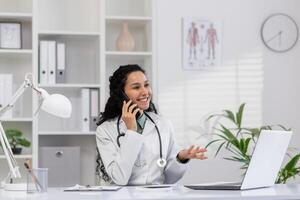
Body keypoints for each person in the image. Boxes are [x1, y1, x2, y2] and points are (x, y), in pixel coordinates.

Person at [96, 64, 207, 186]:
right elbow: (119, 178)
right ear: (121, 94)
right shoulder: (105, 130)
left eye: (146, 85)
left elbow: (170, 179)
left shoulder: (163, 124)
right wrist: (132, 131)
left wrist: (181, 158)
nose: (145, 92)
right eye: (136, 87)